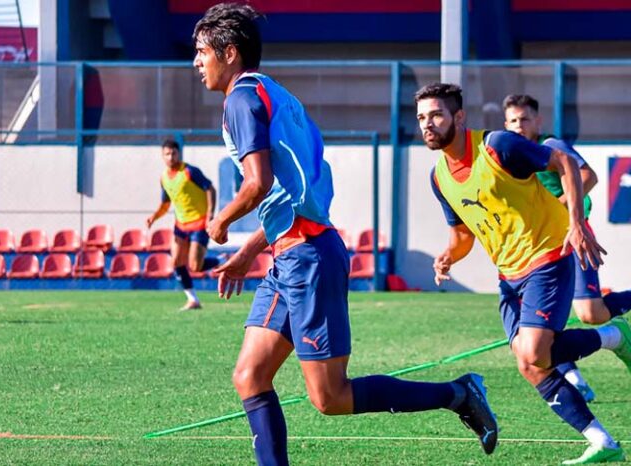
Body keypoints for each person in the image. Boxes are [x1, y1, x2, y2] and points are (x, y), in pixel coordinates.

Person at [193, 5, 499, 465]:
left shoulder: (240, 99)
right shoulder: (274, 94)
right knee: (250, 376)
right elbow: (288, 191)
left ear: (229, 53)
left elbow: (256, 185)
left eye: (201, 52)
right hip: (291, 254)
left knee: (330, 397)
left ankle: (458, 394)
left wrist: (220, 222)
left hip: (308, 258)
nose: (197, 62)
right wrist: (250, 252)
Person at [416, 82, 631, 465]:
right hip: (509, 274)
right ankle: (603, 441)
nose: (427, 124)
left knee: (535, 350)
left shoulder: (499, 145)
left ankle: (614, 335)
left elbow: (563, 162)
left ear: (458, 117)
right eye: (421, 118)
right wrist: (449, 255)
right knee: (529, 364)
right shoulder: (439, 178)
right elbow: (463, 233)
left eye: (436, 114)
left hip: (547, 256)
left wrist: (576, 223)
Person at [503, 93, 631, 403]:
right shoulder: (511, 156)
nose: (519, 126)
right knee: (541, 325)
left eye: (525, 119)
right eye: (512, 121)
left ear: (539, 121)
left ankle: (618, 335)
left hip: (570, 235)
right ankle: (573, 377)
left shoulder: (551, 146)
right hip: (536, 247)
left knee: (591, 312)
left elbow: (588, 176)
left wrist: (558, 212)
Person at [146, 139, 219, 310]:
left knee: (195, 266)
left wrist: (210, 215)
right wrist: (153, 217)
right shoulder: (164, 178)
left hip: (200, 223)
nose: (171, 157)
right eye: (167, 154)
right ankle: (192, 299)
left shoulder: (189, 171)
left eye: (173, 153)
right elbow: (165, 204)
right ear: (162, 156)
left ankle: (219, 260)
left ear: (178, 154)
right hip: (181, 226)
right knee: (177, 262)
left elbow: (210, 189)